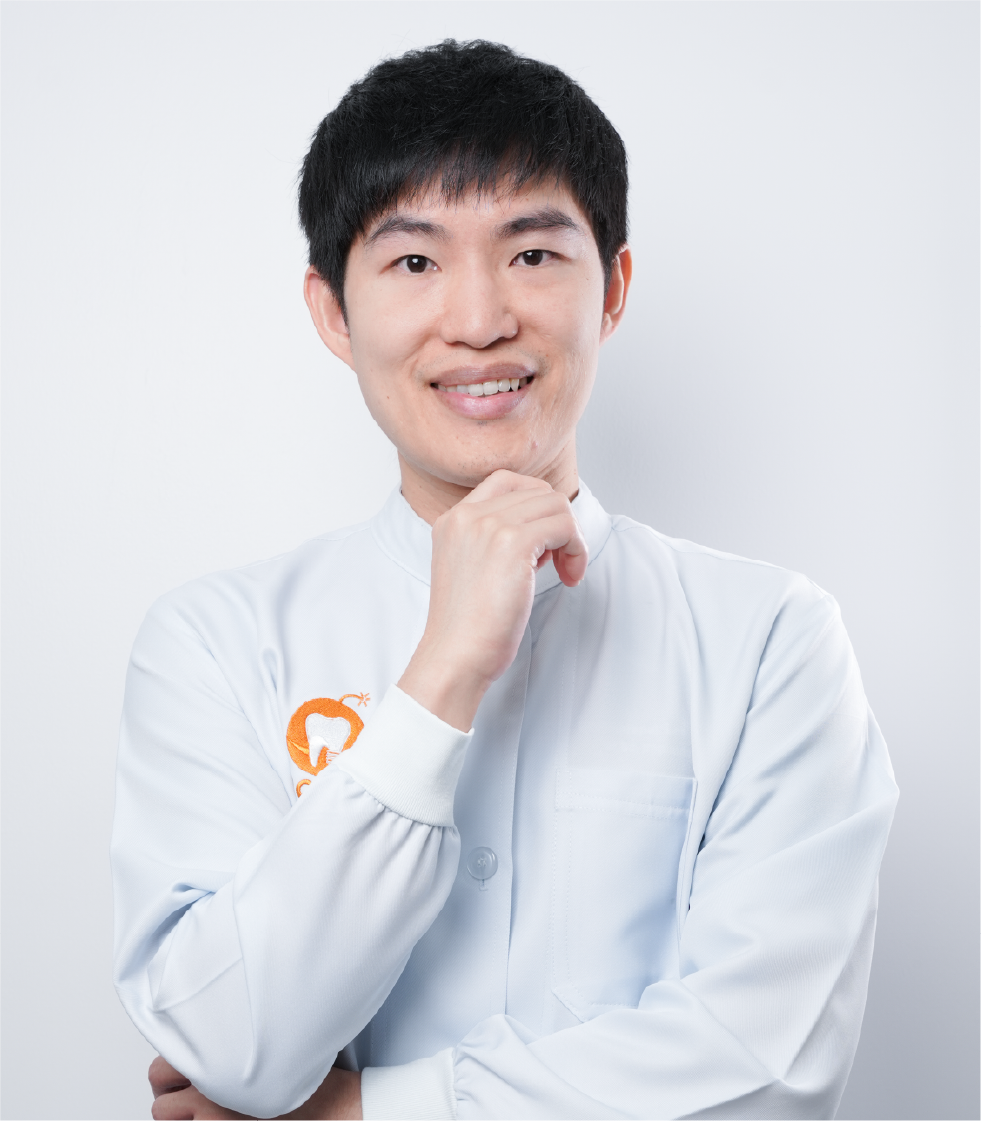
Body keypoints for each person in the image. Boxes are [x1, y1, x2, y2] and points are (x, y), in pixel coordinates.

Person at [112, 39, 898, 1121]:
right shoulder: (215, 639)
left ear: (612, 288)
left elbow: (767, 1066)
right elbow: (227, 1043)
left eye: (531, 253)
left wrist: (356, 1110)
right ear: (333, 312)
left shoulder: (771, 638)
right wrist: (440, 675)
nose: (479, 319)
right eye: (414, 263)